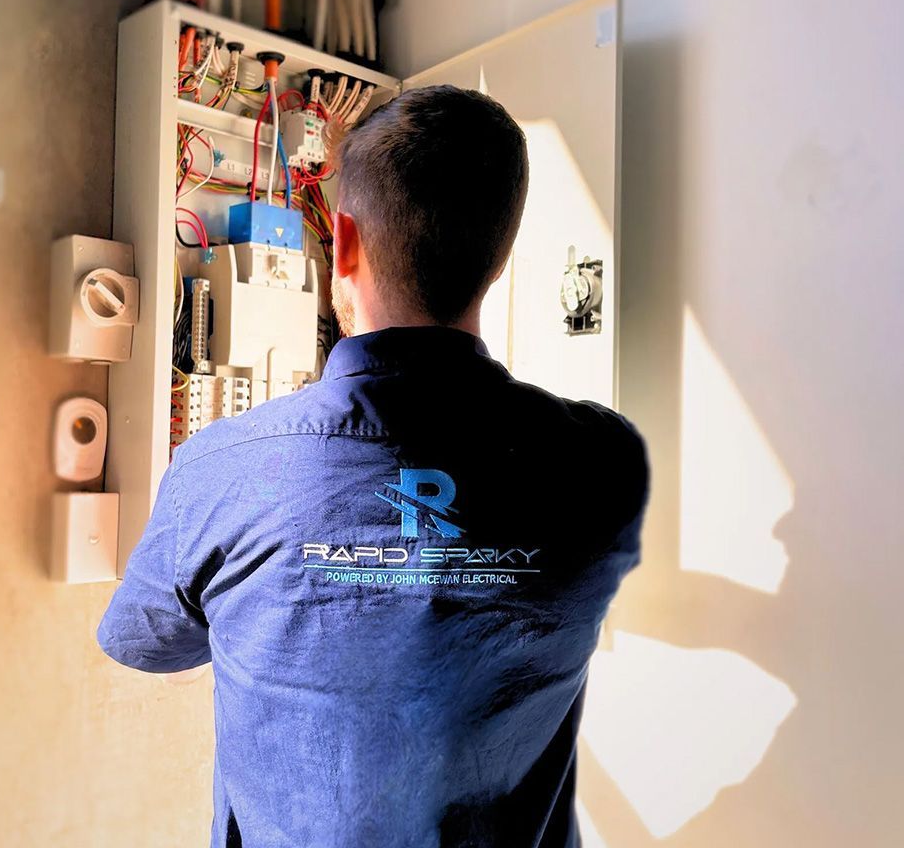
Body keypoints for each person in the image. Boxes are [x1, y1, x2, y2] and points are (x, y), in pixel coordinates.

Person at [98, 85, 649, 848]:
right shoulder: (606, 466)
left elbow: (138, 641)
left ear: (345, 243)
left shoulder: (223, 470)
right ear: (500, 255)